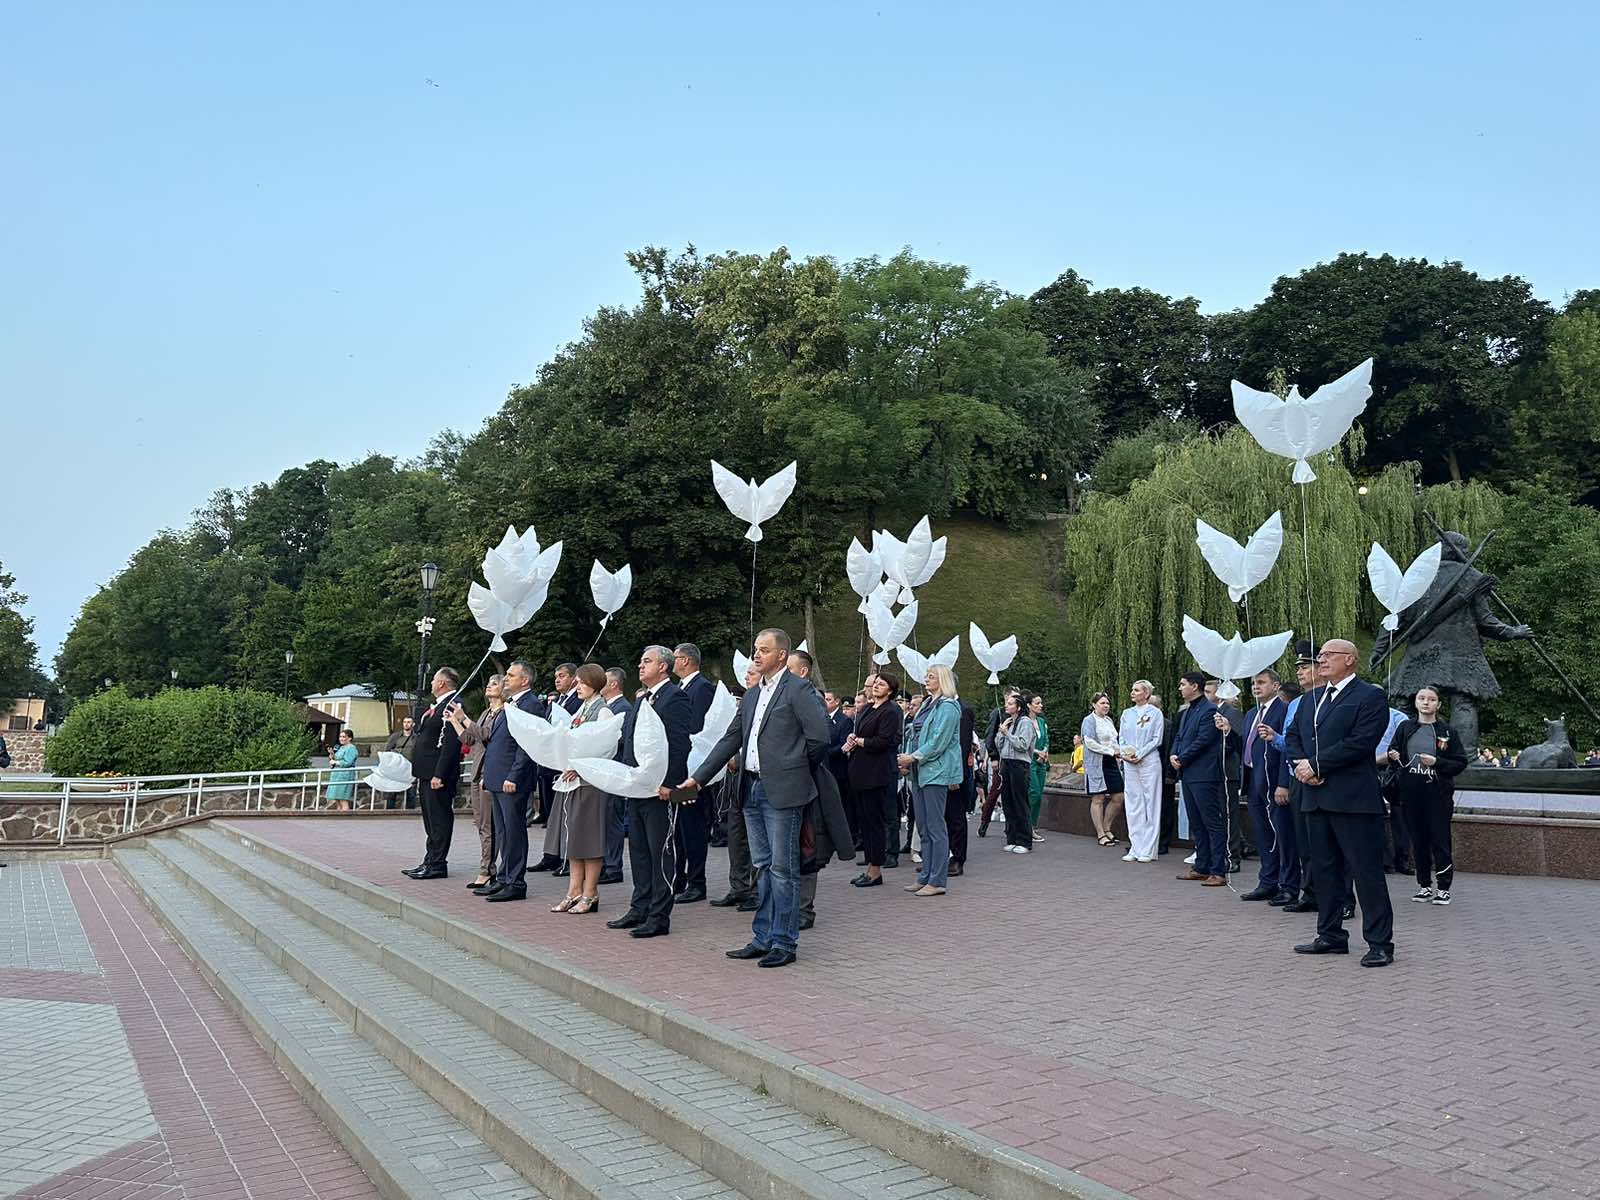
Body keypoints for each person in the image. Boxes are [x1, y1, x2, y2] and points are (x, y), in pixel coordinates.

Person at [681, 628, 828, 969]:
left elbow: (819, 738)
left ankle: (784, 941)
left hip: (783, 791)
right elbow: (730, 740)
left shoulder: (798, 689)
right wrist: (698, 777)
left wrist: (792, 767)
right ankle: (762, 937)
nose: (756, 655)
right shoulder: (750, 696)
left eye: (764, 650)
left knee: (783, 869)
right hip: (750, 789)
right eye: (755, 649)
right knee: (762, 867)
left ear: (781, 655)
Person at [1284, 638, 1396, 967]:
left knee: (1366, 872)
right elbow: (1293, 737)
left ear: (1349, 659)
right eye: (1319, 657)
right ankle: (1330, 935)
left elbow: (1361, 742)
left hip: (1353, 800)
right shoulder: (1312, 699)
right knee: (1324, 870)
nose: (1321, 660)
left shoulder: (1370, 696)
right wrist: (1303, 766)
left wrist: (1317, 765)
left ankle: (1379, 943)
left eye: (1327, 655)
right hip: (1315, 797)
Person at [605, 646, 693, 939]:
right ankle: (639, 907)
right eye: (640, 661)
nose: (640, 666)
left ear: (664, 667)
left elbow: (680, 744)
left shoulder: (676, 697)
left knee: (661, 852)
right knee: (639, 851)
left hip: (660, 790)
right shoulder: (640, 698)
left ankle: (659, 915)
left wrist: (669, 783)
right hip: (637, 787)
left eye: (647, 661)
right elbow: (630, 742)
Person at [1389, 686, 1469, 905]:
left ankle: (1443, 888)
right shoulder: (1406, 728)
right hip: (1411, 794)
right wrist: (1394, 755)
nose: (1426, 702)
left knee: (1440, 841)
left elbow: (1460, 762)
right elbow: (1394, 754)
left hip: (1437, 794)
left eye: (1431, 699)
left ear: (1438, 705)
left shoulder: (1447, 732)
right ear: (1415, 703)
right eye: (1422, 698)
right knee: (1418, 840)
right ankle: (1424, 885)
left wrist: (1437, 763)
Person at [475, 660, 547, 901]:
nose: (505, 678)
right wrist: (488, 775)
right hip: (498, 777)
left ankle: (516, 882)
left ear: (524, 680)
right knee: (504, 830)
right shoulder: (511, 704)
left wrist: (513, 776)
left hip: (512, 779)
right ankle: (504, 877)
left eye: (511, 675)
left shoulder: (531, 704)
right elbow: (497, 742)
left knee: (515, 830)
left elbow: (525, 745)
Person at [551, 664, 614, 914]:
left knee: (590, 839)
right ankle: (573, 890)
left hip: (591, 784)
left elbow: (606, 750)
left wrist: (581, 767)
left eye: (581, 682)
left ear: (594, 683)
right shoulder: (582, 708)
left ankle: (590, 893)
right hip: (573, 782)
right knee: (574, 838)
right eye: (576, 682)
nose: (577, 687)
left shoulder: (603, 711)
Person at [1231, 670, 1296, 904]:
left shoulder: (1284, 710)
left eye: (1261, 682)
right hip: (1253, 781)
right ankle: (1268, 881)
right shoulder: (1251, 714)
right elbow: (1247, 747)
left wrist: (1283, 783)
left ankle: (1288, 885)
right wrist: (1228, 732)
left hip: (1273, 782)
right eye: (1252, 683)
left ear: (1275, 685)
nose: (1255, 687)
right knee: (1263, 834)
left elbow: (1286, 748)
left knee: (1282, 835)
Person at [895, 665, 961, 895]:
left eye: (931, 677)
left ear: (942, 680)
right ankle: (925, 875)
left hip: (936, 772)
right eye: (927, 676)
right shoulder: (926, 703)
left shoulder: (950, 707)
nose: (926, 679)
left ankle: (938, 880)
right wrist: (906, 759)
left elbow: (938, 741)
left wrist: (912, 757)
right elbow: (913, 733)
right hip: (919, 772)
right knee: (923, 826)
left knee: (935, 826)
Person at [710, 662, 764, 911]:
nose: (747, 677)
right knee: (736, 835)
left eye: (752, 673)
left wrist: (738, 760)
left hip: (756, 779)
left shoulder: (766, 704)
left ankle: (755, 890)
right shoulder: (740, 706)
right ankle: (738, 886)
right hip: (735, 780)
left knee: (756, 839)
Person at [404, 668, 463, 880]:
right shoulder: (438, 705)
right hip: (426, 773)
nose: (430, 684)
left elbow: (449, 744)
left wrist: (439, 774)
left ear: (442, 684)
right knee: (430, 820)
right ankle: (430, 859)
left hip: (438, 775)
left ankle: (438, 863)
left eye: (433, 680)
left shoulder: (452, 705)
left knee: (439, 819)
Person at [447, 674, 503, 890]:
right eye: (488, 683)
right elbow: (470, 739)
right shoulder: (486, 713)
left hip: (488, 774)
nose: (489, 686)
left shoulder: (502, 714)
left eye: (495, 683)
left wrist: (464, 718)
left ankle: (486, 869)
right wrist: (455, 721)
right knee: (481, 824)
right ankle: (487, 866)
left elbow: (487, 735)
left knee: (488, 825)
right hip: (476, 772)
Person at [847, 672, 903, 889]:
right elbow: (859, 731)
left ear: (890, 690)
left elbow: (883, 741)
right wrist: (852, 740)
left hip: (876, 772)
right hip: (860, 771)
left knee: (875, 821)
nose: (877, 686)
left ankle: (876, 869)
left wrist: (860, 741)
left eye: (882, 684)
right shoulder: (868, 708)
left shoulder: (891, 711)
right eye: (875, 683)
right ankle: (869, 865)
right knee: (865, 821)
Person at [670, 643, 716, 904]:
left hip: (693, 769)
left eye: (675, 658)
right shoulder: (681, 689)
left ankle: (697, 882)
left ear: (686, 661)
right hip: (679, 769)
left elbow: (699, 729)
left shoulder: (702, 688)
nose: (673, 662)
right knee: (680, 827)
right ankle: (680, 877)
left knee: (693, 827)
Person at [1171, 672, 1226, 886]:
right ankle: (1202, 866)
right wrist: (1173, 755)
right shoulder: (1187, 711)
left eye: (1183, 684)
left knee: (1212, 822)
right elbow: (1180, 736)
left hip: (1204, 774)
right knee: (1196, 822)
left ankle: (1218, 870)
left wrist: (1182, 758)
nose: (1180, 688)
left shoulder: (1209, 710)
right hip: (1188, 773)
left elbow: (1204, 740)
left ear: (1194, 686)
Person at [1117, 680, 1164, 863]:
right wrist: (1125, 753)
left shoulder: (1155, 713)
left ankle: (1149, 849)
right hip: (1130, 763)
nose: (1133, 693)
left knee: (1150, 804)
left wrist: (1140, 753)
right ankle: (1135, 847)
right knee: (1133, 803)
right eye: (1132, 689)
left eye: (1136, 690)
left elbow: (1156, 739)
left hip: (1149, 762)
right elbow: (1121, 736)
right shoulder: (1127, 713)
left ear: (1146, 693)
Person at [1205, 681, 1250, 871]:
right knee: (1218, 816)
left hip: (1227, 772)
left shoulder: (1232, 713)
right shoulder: (1214, 711)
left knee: (1229, 815)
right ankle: (1220, 854)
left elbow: (1236, 742)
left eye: (1208, 691)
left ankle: (1233, 857)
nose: (1205, 695)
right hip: (1212, 772)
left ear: (1219, 694)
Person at [598, 667, 633, 886]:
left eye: (604, 680)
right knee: (604, 820)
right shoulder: (605, 707)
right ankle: (603, 863)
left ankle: (613, 866)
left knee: (613, 820)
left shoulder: (623, 708)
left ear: (613, 684)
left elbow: (623, 739)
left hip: (614, 770)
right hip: (603, 771)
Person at [995, 691, 1038, 852]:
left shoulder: (1025, 723)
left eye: (1011, 703)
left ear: (1019, 707)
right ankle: (1012, 837)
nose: (1007, 705)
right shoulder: (1010, 722)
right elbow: (999, 745)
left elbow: (1022, 745)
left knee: (1020, 802)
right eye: (1007, 703)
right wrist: (1002, 731)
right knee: (1008, 802)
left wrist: (1007, 734)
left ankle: (1024, 841)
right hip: (1006, 763)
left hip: (1019, 764)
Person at [1081, 693, 1124, 847]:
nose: (1106, 706)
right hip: (1096, 762)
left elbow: (1113, 741)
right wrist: (1111, 751)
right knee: (1098, 798)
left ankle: (1107, 828)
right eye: (1102, 703)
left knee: (1118, 796)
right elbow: (1090, 743)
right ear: (1094, 705)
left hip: (1111, 761)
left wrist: (1122, 752)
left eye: (1107, 703)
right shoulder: (1089, 720)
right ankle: (1100, 833)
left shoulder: (1108, 720)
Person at [948, 693, 977, 875]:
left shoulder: (962, 710)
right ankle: (942, 857)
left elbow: (962, 745)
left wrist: (955, 776)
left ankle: (958, 859)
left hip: (955, 774)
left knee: (956, 817)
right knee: (943, 818)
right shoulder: (939, 706)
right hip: (941, 772)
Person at [1026, 695, 1050, 843]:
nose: (1040, 705)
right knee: (1033, 792)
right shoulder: (1025, 722)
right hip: (1030, 761)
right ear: (1028, 705)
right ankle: (1026, 825)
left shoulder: (1041, 721)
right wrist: (1037, 752)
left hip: (1041, 761)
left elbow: (1046, 738)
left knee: (1039, 794)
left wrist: (1045, 752)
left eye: (1041, 702)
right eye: (1037, 703)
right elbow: (1026, 742)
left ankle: (1033, 825)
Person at [383, 716, 417, 809]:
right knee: (392, 792)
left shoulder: (416, 738)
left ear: (413, 724)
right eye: (405, 722)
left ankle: (410, 813)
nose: (406, 724)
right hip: (396, 768)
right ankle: (389, 812)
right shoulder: (395, 737)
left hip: (410, 768)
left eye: (409, 722)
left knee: (411, 792)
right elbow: (388, 750)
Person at [326, 728, 358, 810]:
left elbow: (348, 762)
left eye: (344, 737)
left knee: (343, 798)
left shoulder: (351, 748)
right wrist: (332, 754)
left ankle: (345, 818)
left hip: (345, 775)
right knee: (337, 798)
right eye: (340, 737)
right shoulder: (341, 747)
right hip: (337, 775)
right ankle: (338, 817)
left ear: (350, 738)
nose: (341, 739)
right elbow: (335, 759)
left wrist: (336, 762)